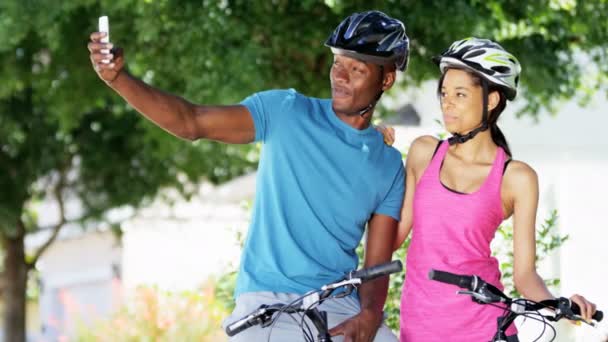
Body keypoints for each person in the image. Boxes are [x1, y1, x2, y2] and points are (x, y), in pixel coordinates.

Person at [88, 10, 409, 342]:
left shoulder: (387, 165)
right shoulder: (286, 112)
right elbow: (191, 121)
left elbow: (376, 265)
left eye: (356, 69)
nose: (341, 77)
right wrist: (118, 78)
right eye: (338, 64)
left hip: (338, 305)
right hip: (268, 306)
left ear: (386, 80)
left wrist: (370, 315)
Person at [380, 38, 597, 341]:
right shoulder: (424, 153)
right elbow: (389, 238)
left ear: (491, 100)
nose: (447, 102)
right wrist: (367, 153)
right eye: (444, 93)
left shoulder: (516, 178)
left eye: (460, 94)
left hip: (485, 328)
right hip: (420, 327)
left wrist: (560, 304)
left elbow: (524, 275)